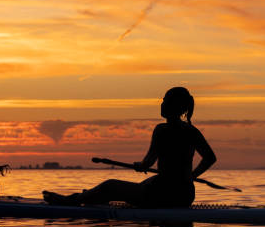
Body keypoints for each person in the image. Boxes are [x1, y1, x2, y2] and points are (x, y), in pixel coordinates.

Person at [43, 87, 216, 208]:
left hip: (163, 194)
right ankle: (92, 196)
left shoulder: (162, 130)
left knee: (110, 185)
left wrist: (140, 166)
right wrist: (190, 176)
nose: (161, 104)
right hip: (185, 195)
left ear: (174, 106)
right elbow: (210, 158)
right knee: (145, 184)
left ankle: (71, 201)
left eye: (165, 100)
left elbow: (148, 163)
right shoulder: (192, 131)